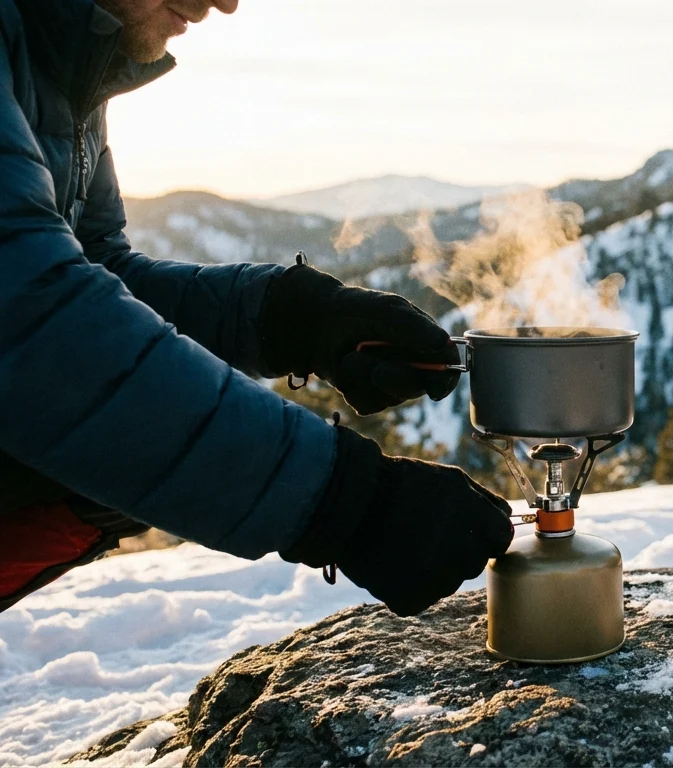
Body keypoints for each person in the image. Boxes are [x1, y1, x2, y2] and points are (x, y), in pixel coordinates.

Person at [0, 0, 514, 616]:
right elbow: (29, 319)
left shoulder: (58, 56)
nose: (220, 3)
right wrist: (341, 498)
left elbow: (96, 270)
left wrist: (292, 319)